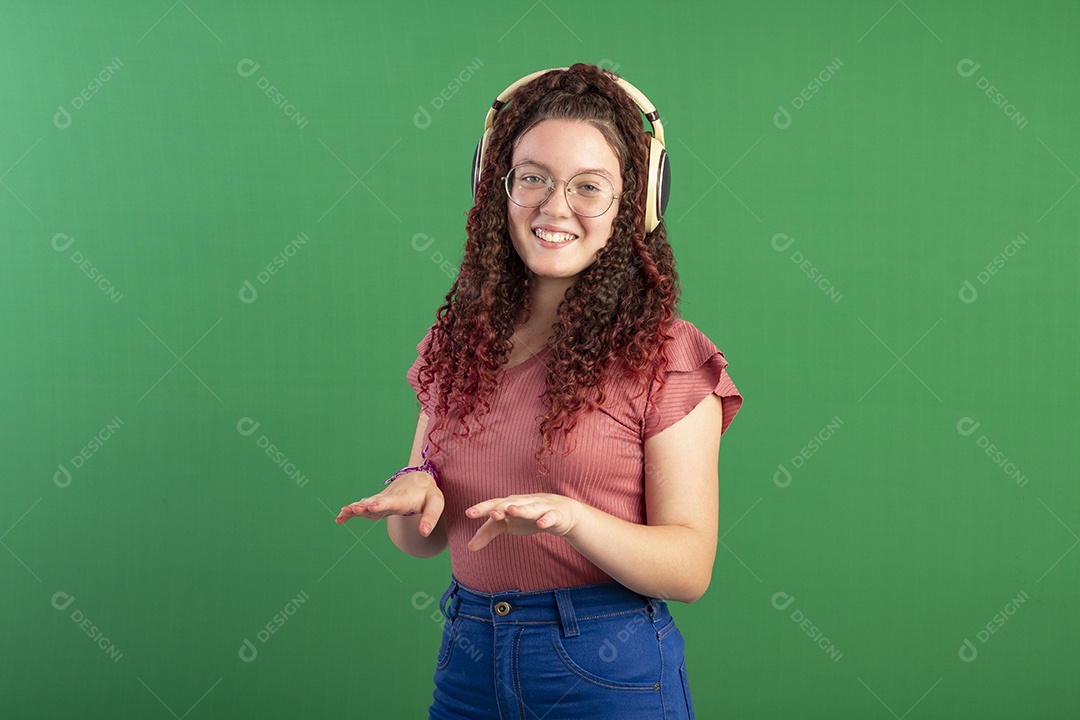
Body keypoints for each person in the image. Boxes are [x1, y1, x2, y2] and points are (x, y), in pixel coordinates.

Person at [336, 64, 742, 719]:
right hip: (469, 657)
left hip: (604, 669)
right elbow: (422, 543)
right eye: (534, 179)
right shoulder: (459, 344)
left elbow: (690, 568)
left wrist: (575, 521)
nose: (556, 208)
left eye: (589, 187)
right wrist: (413, 490)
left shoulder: (667, 355)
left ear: (636, 204)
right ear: (497, 186)